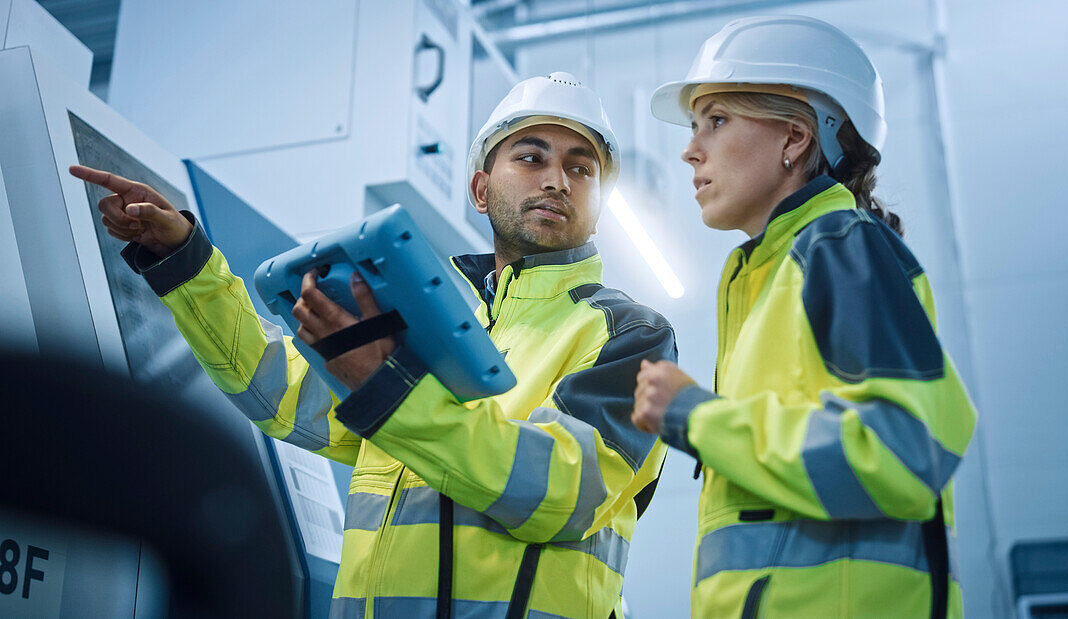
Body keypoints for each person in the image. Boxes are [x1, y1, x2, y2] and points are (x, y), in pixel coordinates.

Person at [71, 72, 676, 619]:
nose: (556, 180)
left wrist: (387, 388)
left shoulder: (630, 335)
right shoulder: (438, 317)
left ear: (597, 205)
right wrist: (184, 260)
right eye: (531, 156)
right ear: (481, 189)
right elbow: (281, 394)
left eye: (581, 168)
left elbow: (558, 491)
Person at [631, 16, 977, 618]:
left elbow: (901, 451)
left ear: (794, 139)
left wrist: (699, 418)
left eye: (716, 120)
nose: (690, 149)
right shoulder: (767, 275)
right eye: (694, 126)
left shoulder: (839, 247)